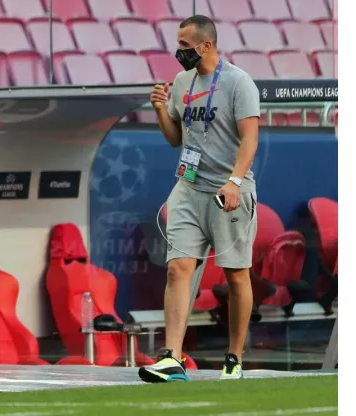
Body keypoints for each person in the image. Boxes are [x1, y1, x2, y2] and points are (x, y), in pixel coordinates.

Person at [138, 15, 260, 383]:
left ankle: (234, 358)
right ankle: (172, 357)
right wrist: (161, 109)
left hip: (228, 190)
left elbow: (250, 139)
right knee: (178, 268)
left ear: (206, 46)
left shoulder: (239, 82)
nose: (180, 53)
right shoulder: (180, 82)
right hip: (188, 188)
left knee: (236, 275)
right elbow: (175, 138)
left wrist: (235, 182)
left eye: (186, 47)